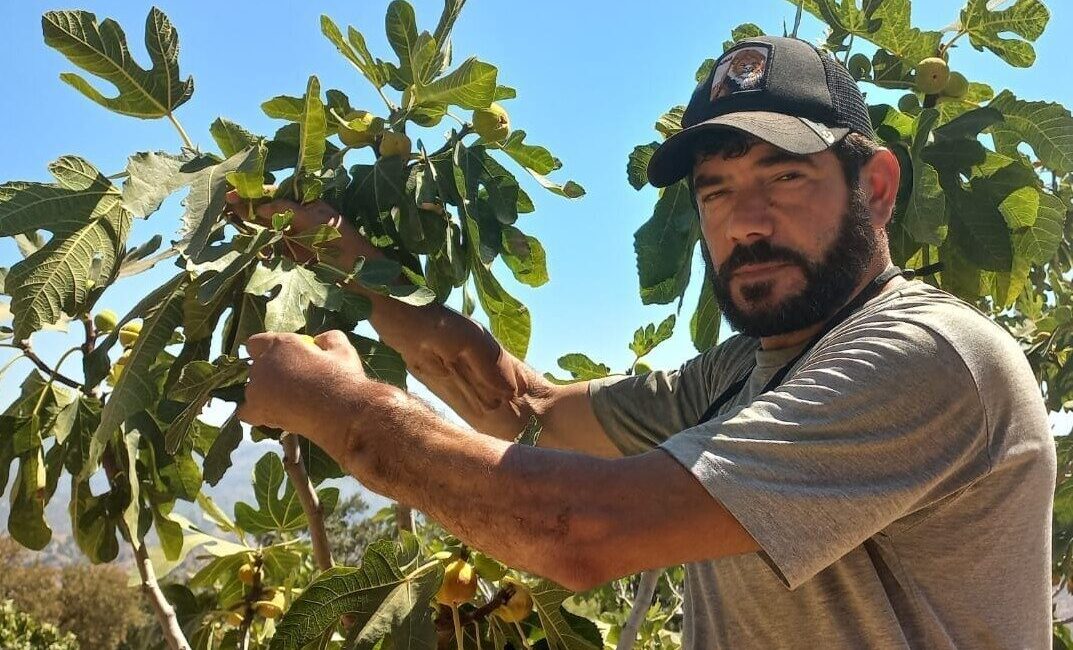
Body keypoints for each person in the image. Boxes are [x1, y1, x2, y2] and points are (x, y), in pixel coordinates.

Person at [235, 35, 1056, 648]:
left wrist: (345, 415)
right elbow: (526, 409)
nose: (746, 221)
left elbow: (579, 530)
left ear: (874, 189)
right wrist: (352, 262)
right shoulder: (745, 370)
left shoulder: (927, 357)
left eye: (784, 176)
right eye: (717, 190)